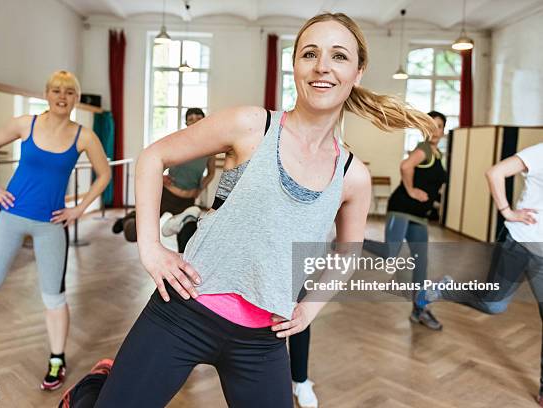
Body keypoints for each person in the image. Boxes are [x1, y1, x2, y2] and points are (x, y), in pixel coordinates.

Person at [94, 13, 436, 407]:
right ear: (295, 66)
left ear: (357, 72)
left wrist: (309, 310)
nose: (322, 66)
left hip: (262, 339)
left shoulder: (352, 175)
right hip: (184, 310)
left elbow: (348, 250)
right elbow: (153, 157)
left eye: (339, 56)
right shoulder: (251, 125)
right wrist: (151, 248)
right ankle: (94, 390)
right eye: (310, 54)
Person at [0, 70, 111, 391]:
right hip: (10, 214)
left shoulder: (84, 136)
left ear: (76, 98)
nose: (63, 96)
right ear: (47, 93)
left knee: (54, 296)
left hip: (52, 224)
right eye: (57, 90)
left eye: (69, 92)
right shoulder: (26, 124)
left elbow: (103, 175)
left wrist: (79, 208)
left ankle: (57, 358)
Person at [416, 143, 543, 405]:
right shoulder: (540, 152)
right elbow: (495, 173)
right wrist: (507, 212)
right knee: (492, 304)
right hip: (519, 243)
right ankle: (443, 288)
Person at [363, 111, 448, 330]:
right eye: (430, 125)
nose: (435, 130)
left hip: (419, 216)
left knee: (421, 264)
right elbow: (405, 166)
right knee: (391, 253)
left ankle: (419, 311)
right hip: (401, 208)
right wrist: (411, 190)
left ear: (443, 130)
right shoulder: (424, 148)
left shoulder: (438, 155)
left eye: (439, 126)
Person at [112, 108, 215, 252]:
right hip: (165, 196)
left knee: (187, 237)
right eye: (191, 119)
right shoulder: (178, 142)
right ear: (186, 123)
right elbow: (154, 161)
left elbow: (211, 173)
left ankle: (181, 267)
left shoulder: (210, 148)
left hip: (187, 203)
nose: (195, 122)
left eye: (199, 118)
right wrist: (160, 175)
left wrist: (200, 187)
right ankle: (126, 220)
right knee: (133, 234)